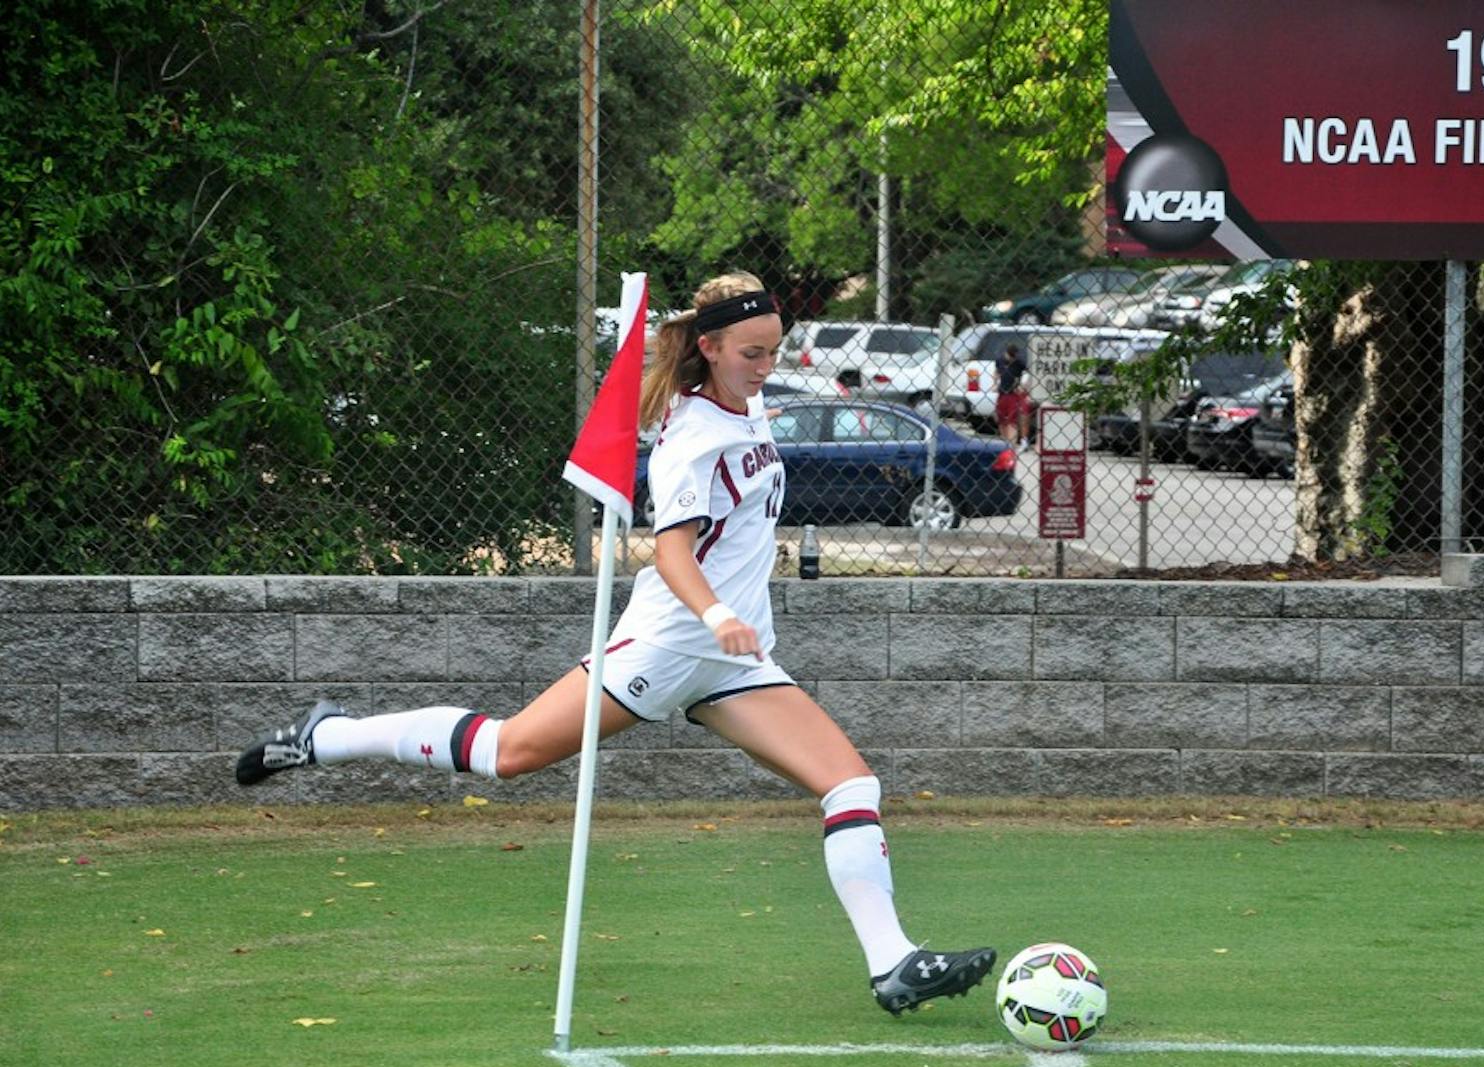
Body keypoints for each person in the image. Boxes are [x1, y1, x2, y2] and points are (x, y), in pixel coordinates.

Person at [236, 270, 996, 1016]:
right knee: (509, 752)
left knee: (851, 785)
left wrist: (731, 629)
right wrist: (711, 615)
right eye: (751, 354)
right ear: (711, 348)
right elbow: (668, 552)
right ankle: (327, 735)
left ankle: (893, 962)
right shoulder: (695, 439)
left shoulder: (747, 410)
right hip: (670, 646)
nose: (766, 369)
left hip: (732, 660)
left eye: (774, 351)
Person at [995, 343, 1032, 450]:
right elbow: (997, 372)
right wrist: (994, 383)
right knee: (1001, 420)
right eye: (1011, 357)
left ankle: (1011, 445)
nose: (1012, 360)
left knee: (1012, 420)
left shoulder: (1019, 362)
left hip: (1013, 393)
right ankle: (1004, 443)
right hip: (1002, 392)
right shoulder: (1000, 360)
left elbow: (1031, 372)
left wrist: (1024, 385)